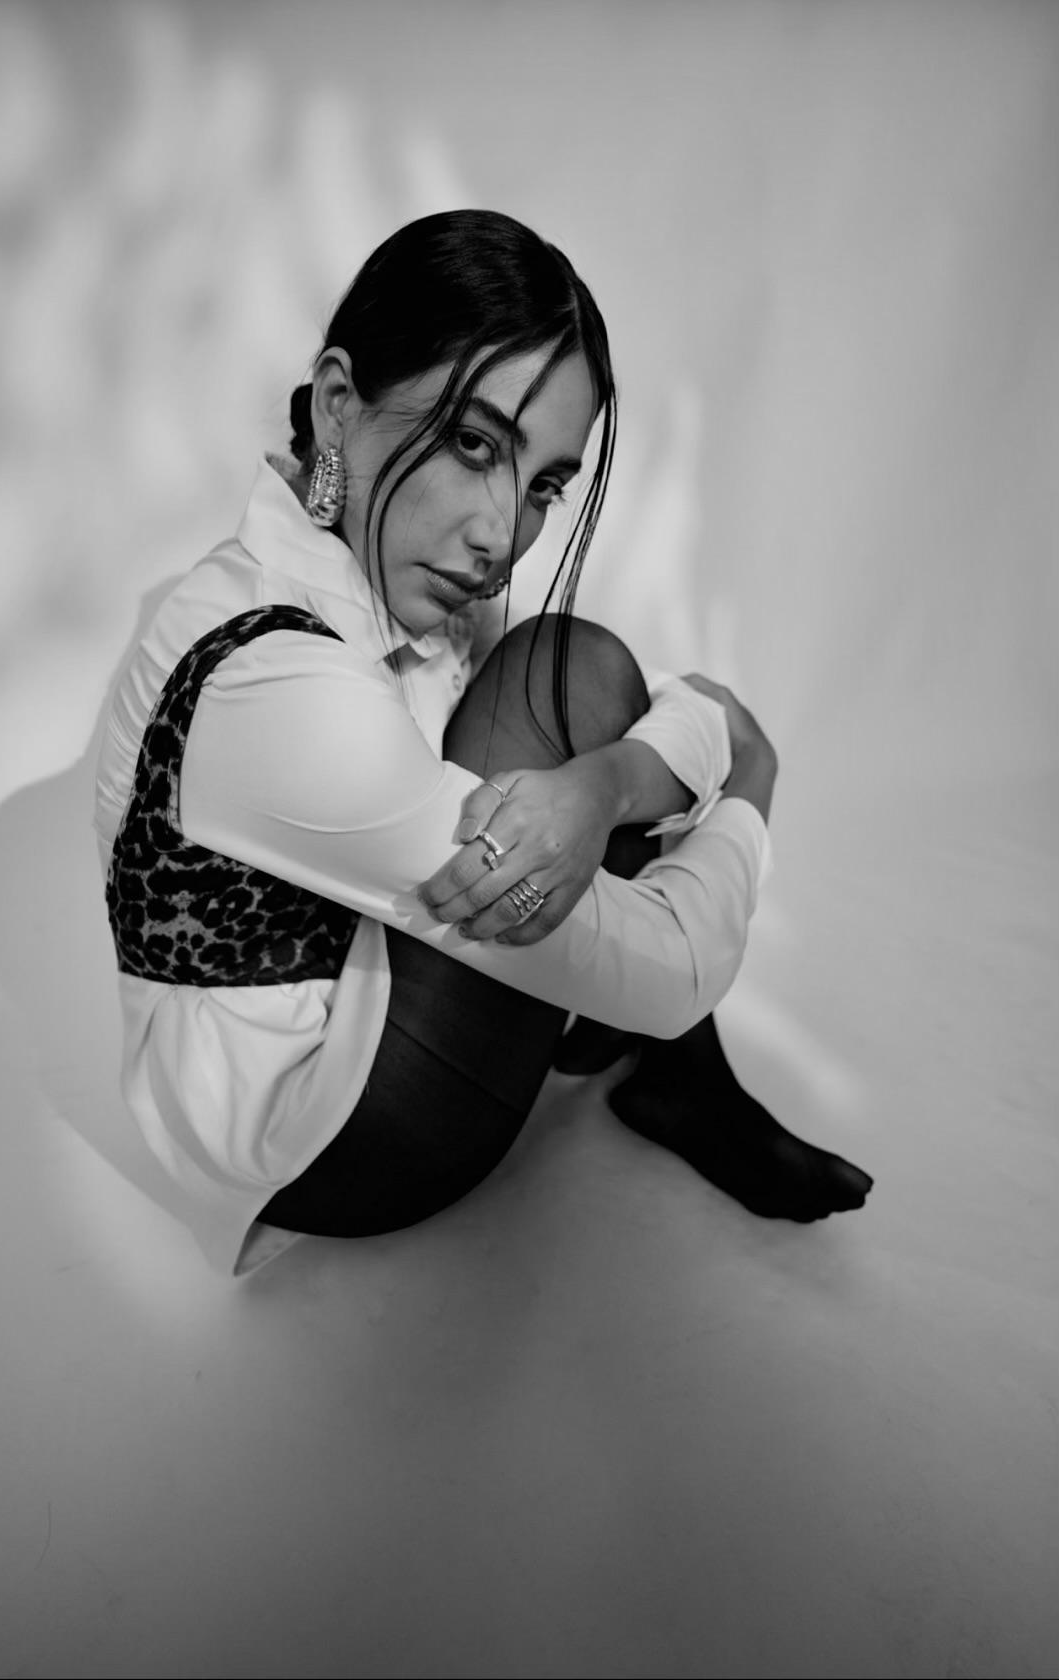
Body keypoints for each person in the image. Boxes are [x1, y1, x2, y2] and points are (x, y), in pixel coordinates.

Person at [95, 209, 872, 1276]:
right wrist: (749, 776)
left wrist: (607, 785)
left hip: (370, 987)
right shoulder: (268, 681)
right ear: (337, 402)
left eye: (544, 483)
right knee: (570, 669)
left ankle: (673, 1081)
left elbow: (622, 718)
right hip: (325, 1145)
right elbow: (679, 969)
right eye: (474, 445)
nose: (502, 536)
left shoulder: (394, 575)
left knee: (569, 672)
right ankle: (656, 1061)